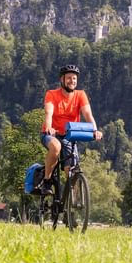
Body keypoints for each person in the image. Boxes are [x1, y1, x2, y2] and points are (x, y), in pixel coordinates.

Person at [37, 64, 103, 195]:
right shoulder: (51, 94)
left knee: (71, 170)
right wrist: (49, 127)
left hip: (69, 136)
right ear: (62, 80)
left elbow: (88, 114)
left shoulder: (80, 95)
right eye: (69, 78)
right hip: (51, 134)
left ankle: (70, 203)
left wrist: (95, 130)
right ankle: (47, 180)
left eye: (74, 78)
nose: (72, 81)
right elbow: (48, 113)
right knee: (55, 147)